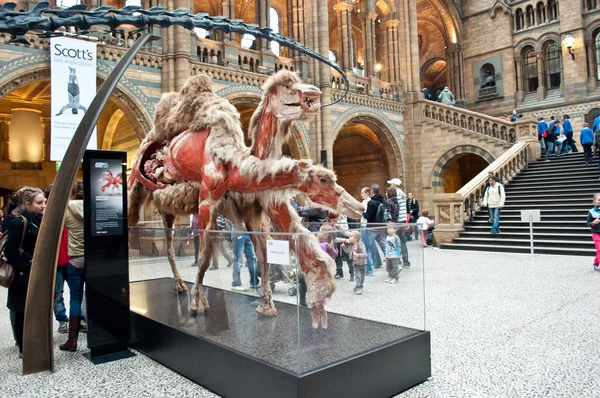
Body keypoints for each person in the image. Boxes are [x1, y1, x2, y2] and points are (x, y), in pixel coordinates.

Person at [5, 186, 45, 358]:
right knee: (21, 310)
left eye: (44, 201)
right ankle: (23, 346)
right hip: (23, 276)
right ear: (27, 204)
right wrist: (25, 266)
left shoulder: (40, 219)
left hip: (35, 273)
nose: (44, 205)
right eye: (39, 202)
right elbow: (10, 250)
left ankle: (34, 342)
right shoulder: (19, 222)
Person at [60, 181, 86, 351]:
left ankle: (72, 340)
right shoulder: (96, 206)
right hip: (96, 259)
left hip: (76, 260)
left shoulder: (68, 208)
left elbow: (59, 228)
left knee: (75, 298)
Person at [44, 184, 70, 334]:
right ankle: (63, 319)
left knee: (61, 292)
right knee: (58, 292)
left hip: (65, 257)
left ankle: (68, 320)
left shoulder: (68, 209)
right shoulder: (47, 213)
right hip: (58, 259)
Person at [387, 178, 411, 268]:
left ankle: (398, 260)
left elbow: (394, 210)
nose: (390, 185)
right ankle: (405, 261)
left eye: (391, 184)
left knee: (396, 241)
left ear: (395, 185)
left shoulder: (397, 195)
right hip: (403, 220)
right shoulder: (402, 194)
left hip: (398, 221)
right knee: (401, 241)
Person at [362, 184, 385, 275]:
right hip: (381, 226)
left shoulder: (371, 202)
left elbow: (368, 216)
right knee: (384, 246)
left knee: (367, 248)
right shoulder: (383, 201)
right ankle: (396, 264)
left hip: (371, 227)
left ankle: (369, 270)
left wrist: (363, 213)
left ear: (372, 191)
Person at [231, 220, 260, 291]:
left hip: (247, 233)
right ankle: (236, 283)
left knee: (252, 258)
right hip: (239, 233)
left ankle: (254, 282)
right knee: (238, 259)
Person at [341, 230, 367, 295]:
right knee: (358, 276)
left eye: (351, 237)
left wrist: (357, 255)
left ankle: (360, 286)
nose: (349, 238)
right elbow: (348, 252)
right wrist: (344, 247)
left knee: (362, 276)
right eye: (349, 237)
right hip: (356, 264)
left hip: (363, 263)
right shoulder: (351, 245)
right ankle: (358, 287)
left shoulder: (360, 244)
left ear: (356, 238)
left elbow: (365, 254)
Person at [586, 193, 600, 273]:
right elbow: (588, 223)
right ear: (594, 201)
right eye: (598, 200)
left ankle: (595, 264)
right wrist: (593, 223)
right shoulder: (591, 211)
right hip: (596, 233)